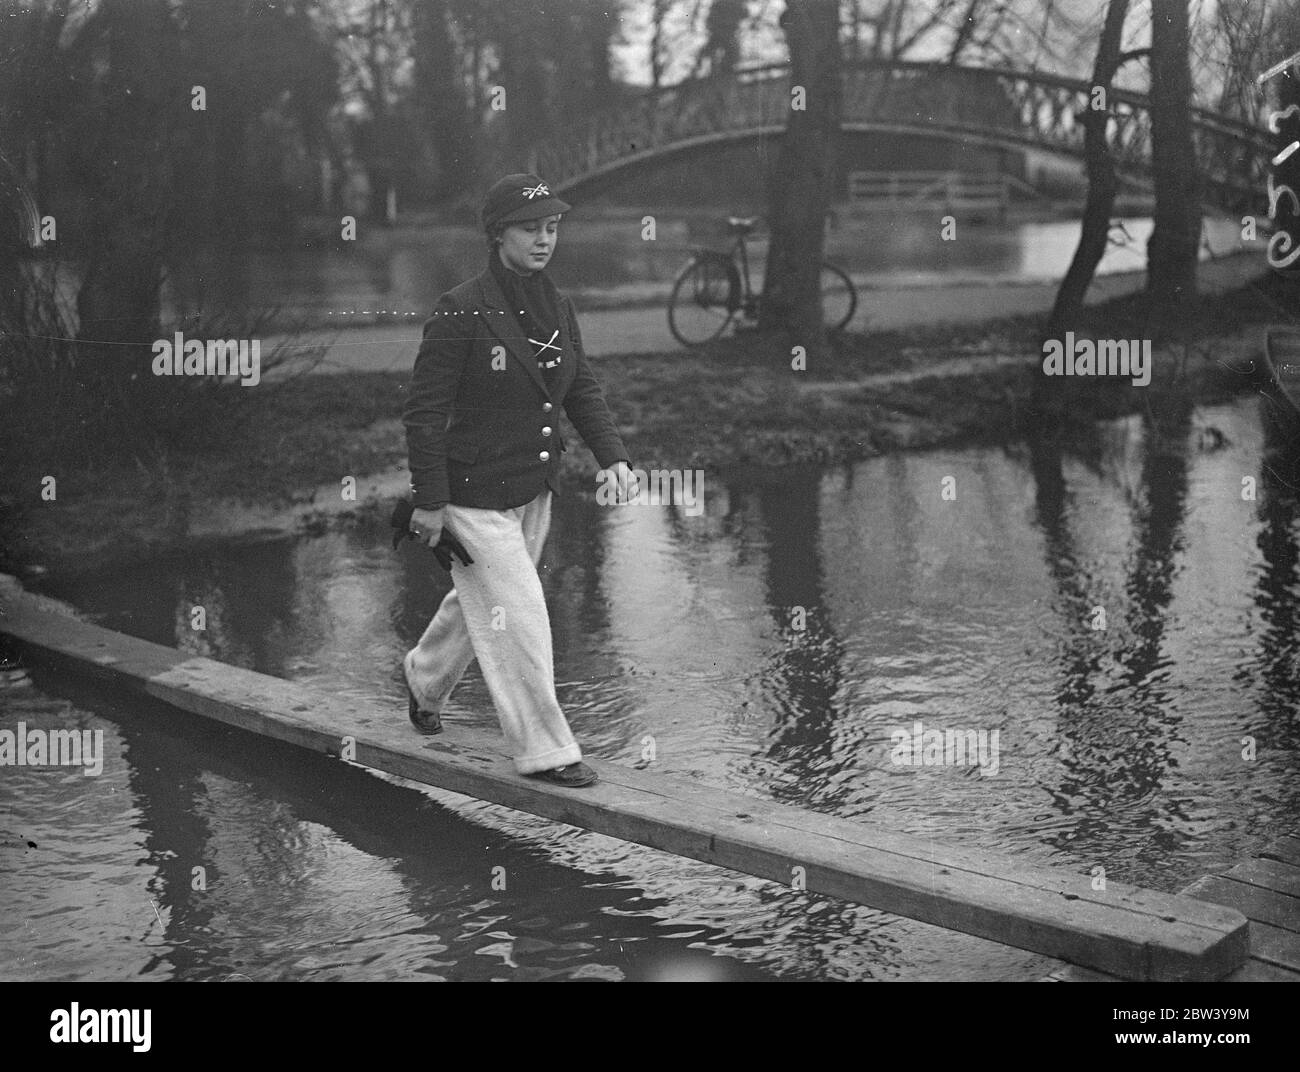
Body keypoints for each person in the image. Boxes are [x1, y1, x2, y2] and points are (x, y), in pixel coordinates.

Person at [400, 172, 637, 789]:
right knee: (523, 614)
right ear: (497, 233)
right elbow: (424, 412)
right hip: (469, 494)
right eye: (530, 228)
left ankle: (425, 680)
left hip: (532, 486)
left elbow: (578, 384)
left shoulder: (556, 305)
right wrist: (428, 502)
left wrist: (613, 456)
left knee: (484, 602)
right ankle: (546, 752)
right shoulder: (461, 309)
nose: (543, 240)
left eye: (552, 228)